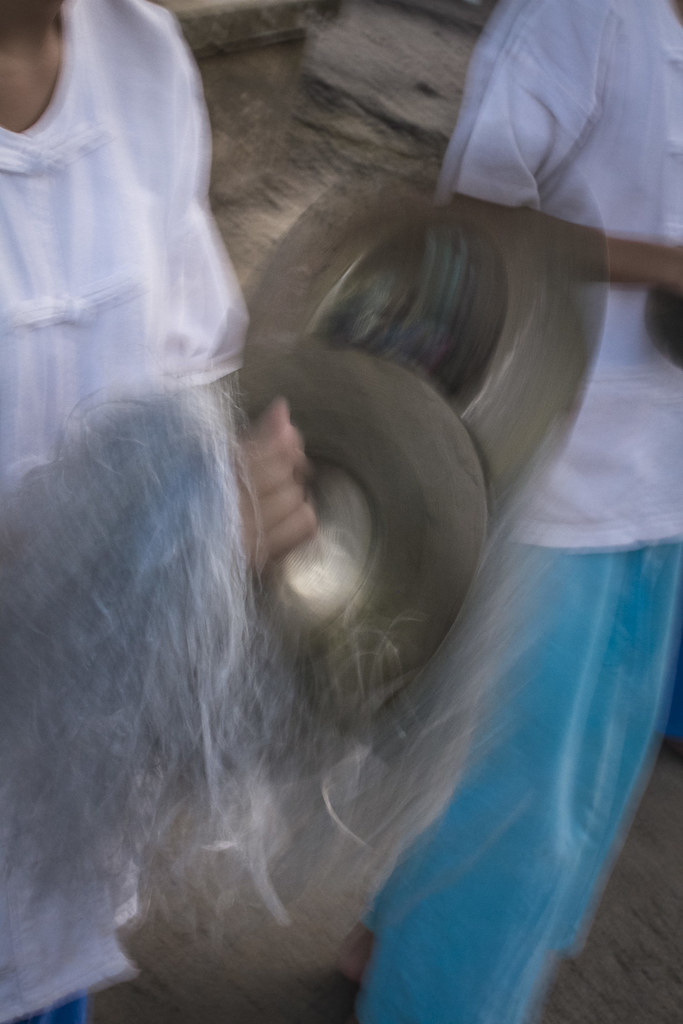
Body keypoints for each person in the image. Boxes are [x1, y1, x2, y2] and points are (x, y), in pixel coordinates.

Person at [343, 1, 683, 1021]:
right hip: (555, 473)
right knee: (518, 813)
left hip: (655, 477)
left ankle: (389, 943)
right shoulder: (580, 18)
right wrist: (662, 263)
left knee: (585, 779)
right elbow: (470, 222)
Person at [0, 1, 316, 1021]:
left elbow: (190, 376)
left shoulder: (140, 55)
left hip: (62, 800)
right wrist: (155, 539)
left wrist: (230, 503)